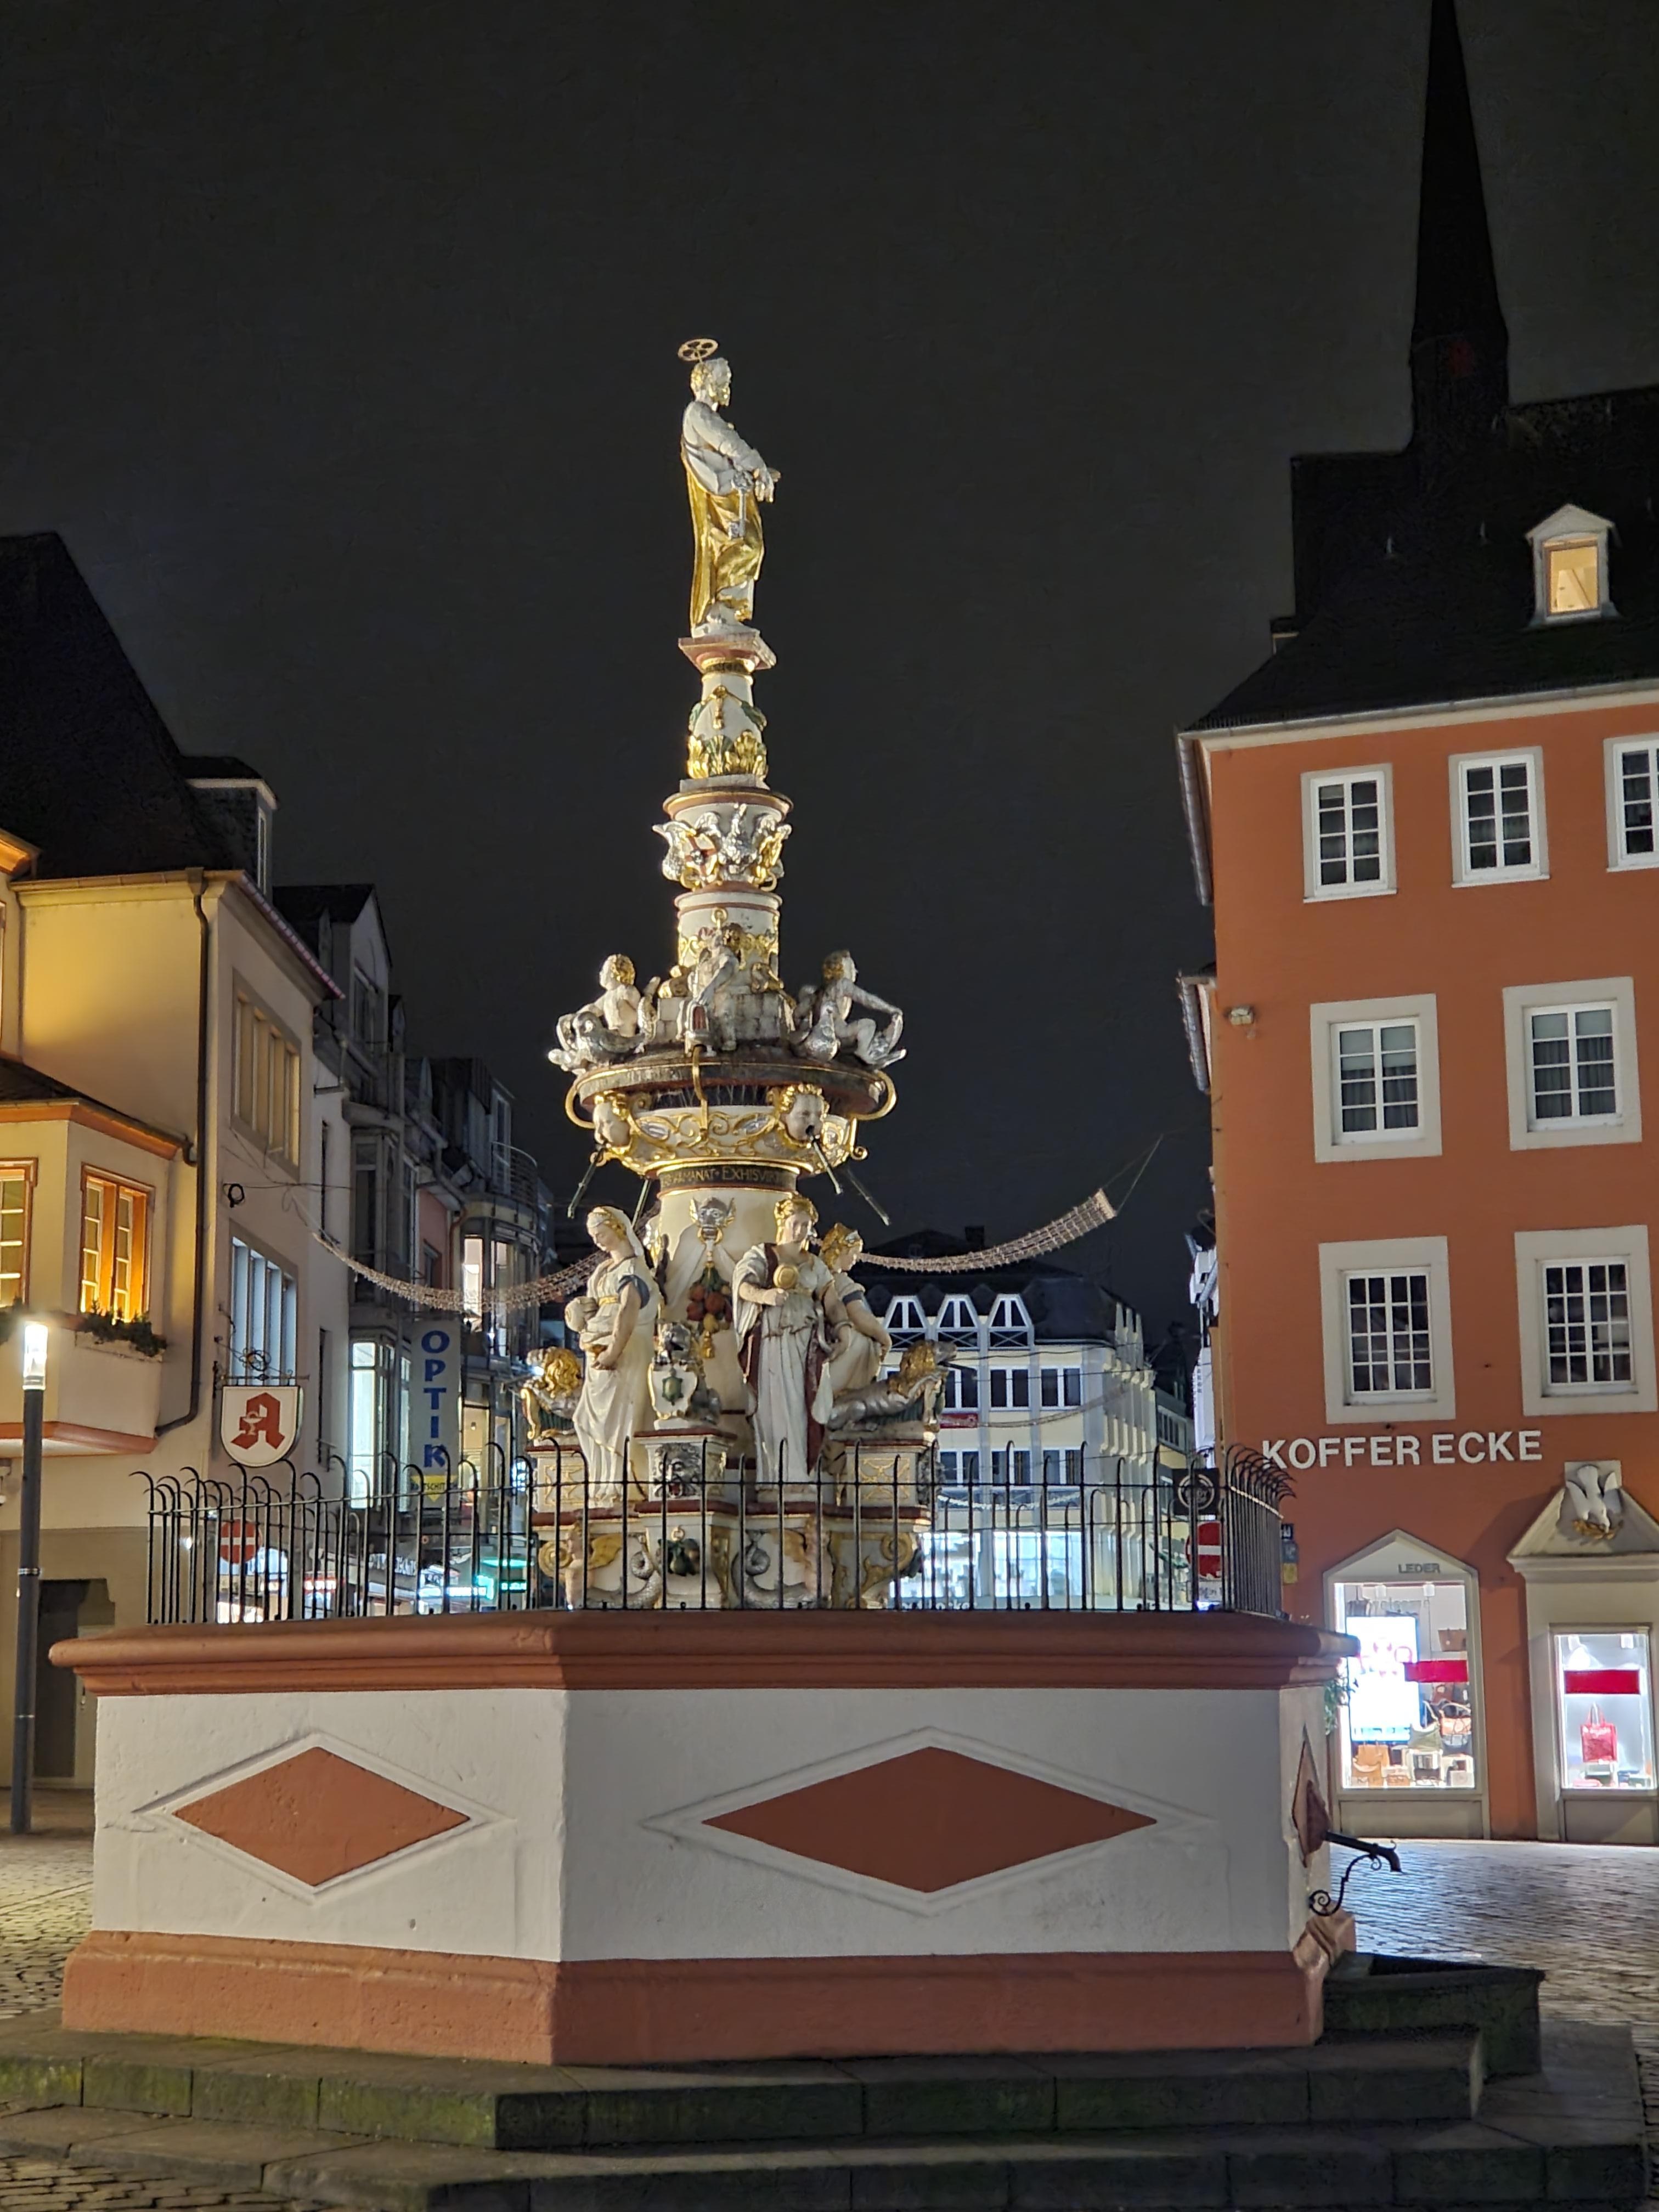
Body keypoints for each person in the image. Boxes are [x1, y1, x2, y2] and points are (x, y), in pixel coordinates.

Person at [733, 1193, 845, 1482]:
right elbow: (743, 1287)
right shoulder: (763, 1255)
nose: (801, 1230)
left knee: (802, 1406)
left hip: (806, 1342)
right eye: (796, 1223)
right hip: (772, 1340)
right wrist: (766, 1295)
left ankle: (800, 1475)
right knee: (774, 1409)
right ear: (783, 1222)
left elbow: (831, 1300)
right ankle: (774, 1476)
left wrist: (843, 1327)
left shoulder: (814, 1264)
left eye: (806, 1225)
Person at [681, 351, 777, 632]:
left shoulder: (706, 415)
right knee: (744, 546)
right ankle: (719, 608)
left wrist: (756, 474)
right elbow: (728, 443)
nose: (727, 388)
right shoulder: (698, 413)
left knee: (748, 545)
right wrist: (756, 467)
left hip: (731, 499)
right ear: (708, 381)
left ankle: (727, 610)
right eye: (724, 381)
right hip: (720, 502)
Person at [572, 1206, 660, 1500]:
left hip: (625, 1352)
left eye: (600, 1232)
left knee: (621, 1421)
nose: (597, 1239)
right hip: (597, 1349)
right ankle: (600, 1481)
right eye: (592, 1235)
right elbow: (591, 1307)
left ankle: (622, 1483)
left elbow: (628, 1311)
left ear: (618, 1229)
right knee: (585, 1418)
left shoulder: (633, 1269)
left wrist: (613, 1350)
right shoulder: (602, 1270)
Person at [819, 1222, 893, 1398]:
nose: (856, 1259)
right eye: (853, 1254)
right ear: (841, 1251)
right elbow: (858, 1315)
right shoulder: (841, 1282)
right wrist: (884, 1338)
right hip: (834, 1346)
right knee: (865, 1343)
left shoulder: (819, 1275)